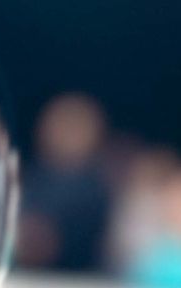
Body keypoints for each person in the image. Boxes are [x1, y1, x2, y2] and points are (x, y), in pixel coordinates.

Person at [18, 93, 112, 272]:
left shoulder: (92, 189)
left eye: (72, 126)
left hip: (71, 282)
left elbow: (44, 244)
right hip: (26, 278)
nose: (59, 131)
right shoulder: (35, 175)